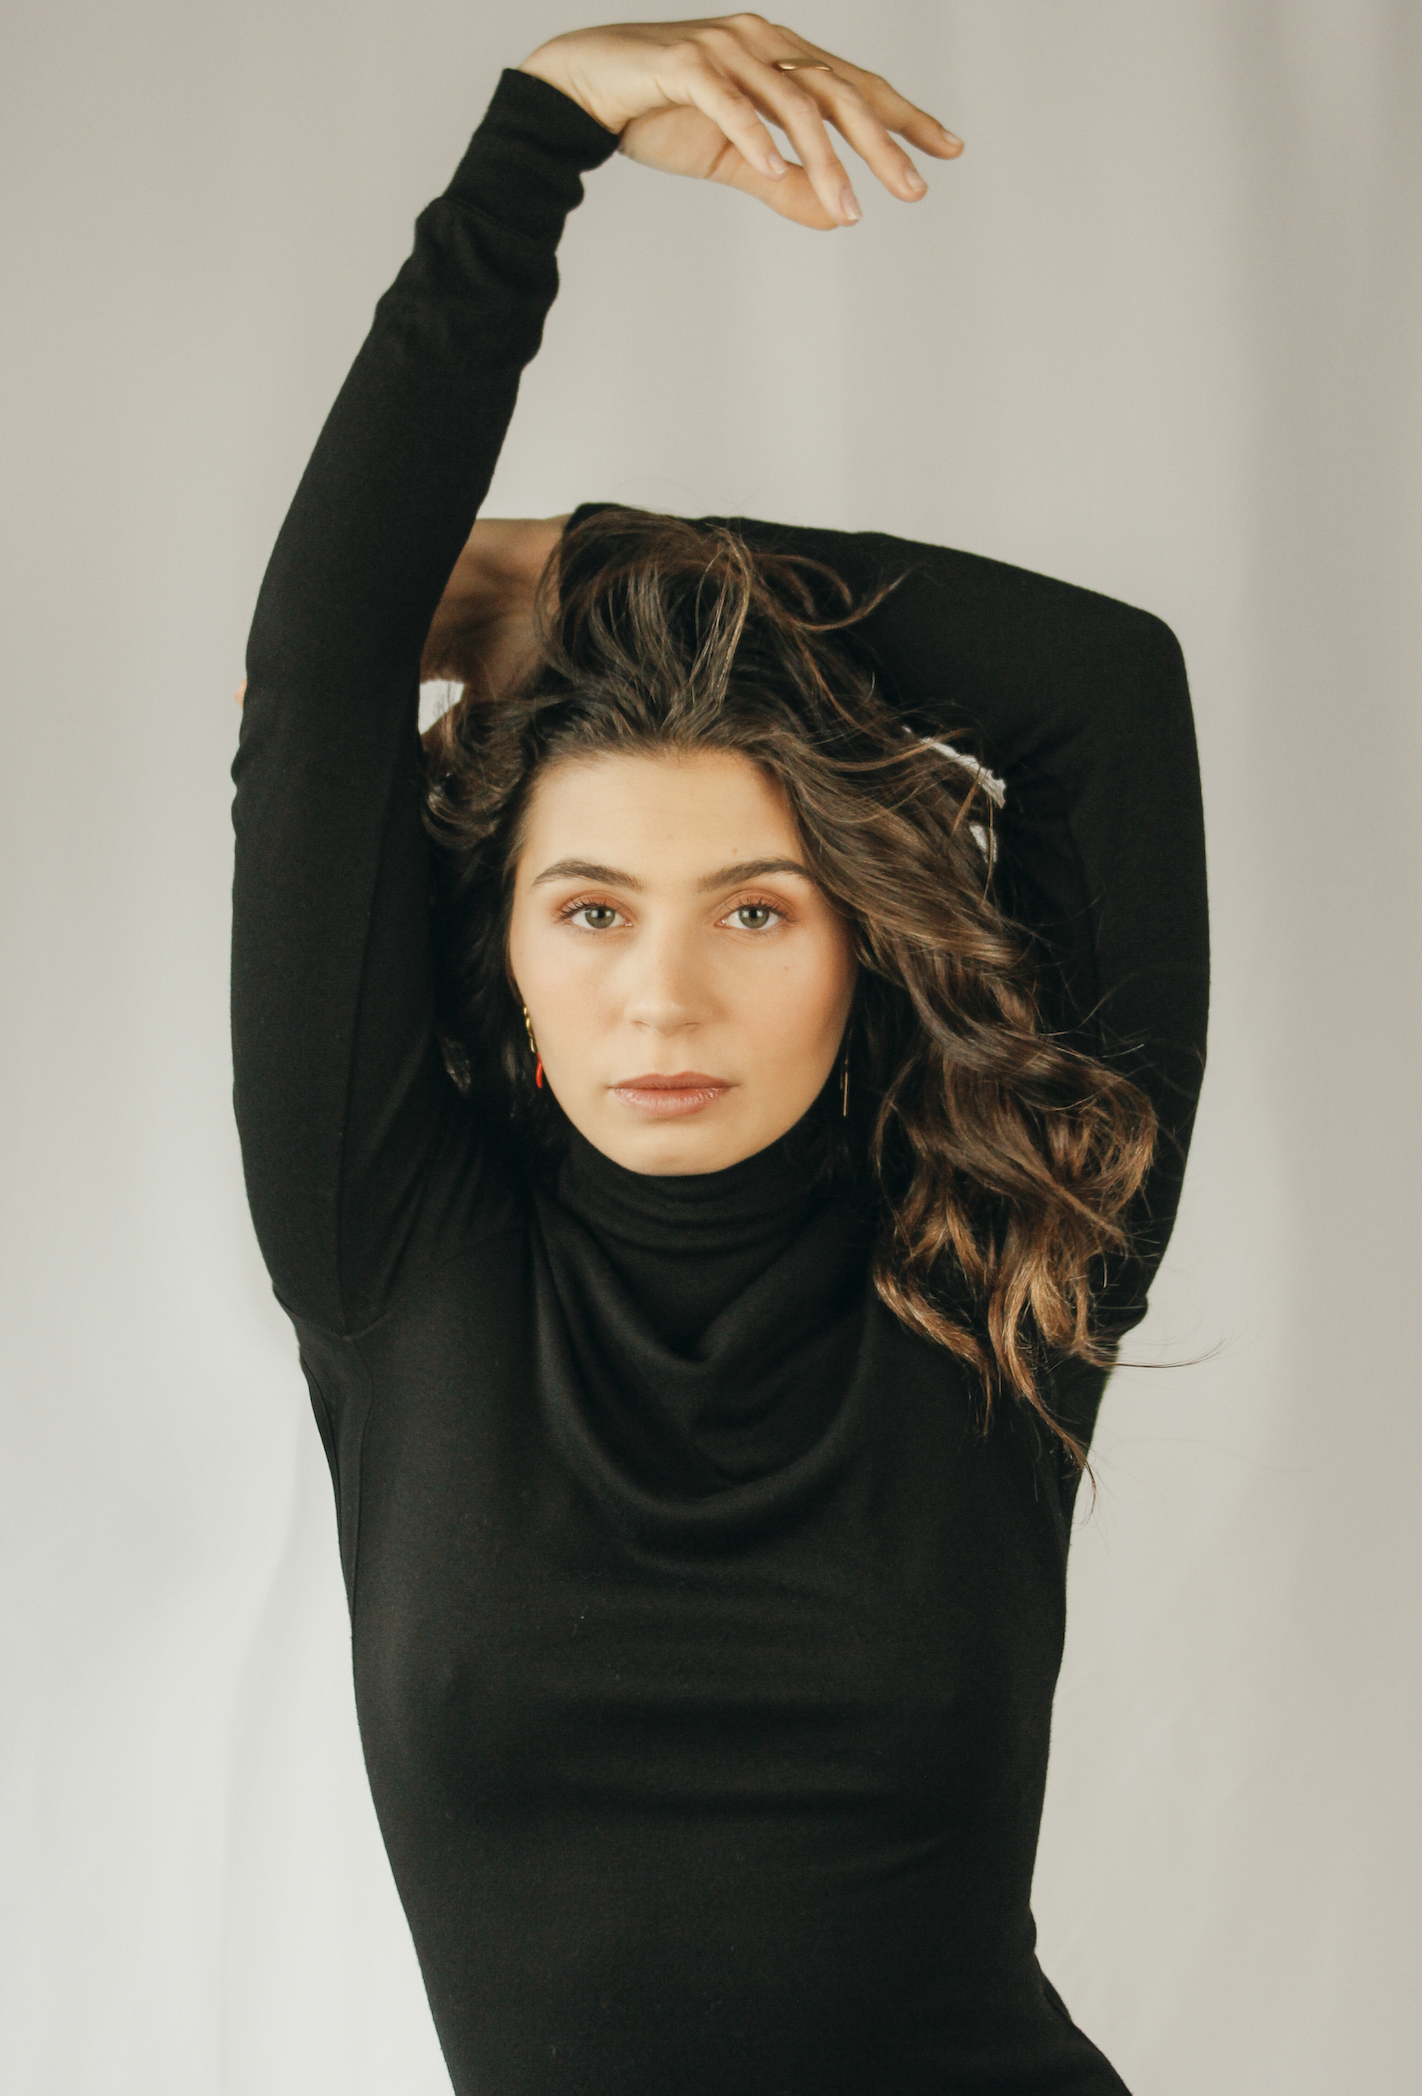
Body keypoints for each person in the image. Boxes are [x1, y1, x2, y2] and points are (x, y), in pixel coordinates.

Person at [231, 17, 1208, 2094]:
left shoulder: (1008, 1250)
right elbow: (324, 677)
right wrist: (542, 139)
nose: (663, 999)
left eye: (754, 909)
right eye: (591, 908)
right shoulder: (391, 1257)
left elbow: (1108, 695)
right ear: (494, 948)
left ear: (863, 944)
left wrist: (604, 571)